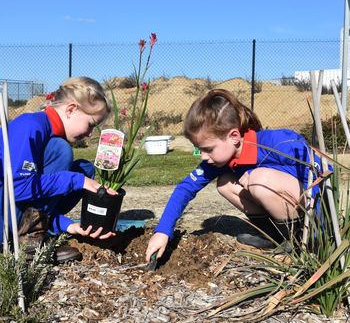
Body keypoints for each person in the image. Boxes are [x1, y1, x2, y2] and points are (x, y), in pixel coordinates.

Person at [146, 89, 325, 262]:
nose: (203, 157)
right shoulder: (219, 159)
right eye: (199, 149)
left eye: (208, 149)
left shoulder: (276, 142)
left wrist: (319, 235)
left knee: (258, 180)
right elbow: (185, 188)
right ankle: (274, 236)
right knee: (225, 183)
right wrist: (163, 231)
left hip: (312, 210)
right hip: (286, 206)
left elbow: (320, 172)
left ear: (233, 136)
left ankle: (299, 241)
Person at [0, 76, 116, 262]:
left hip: (16, 216)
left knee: (83, 169)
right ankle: (27, 245)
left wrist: (69, 226)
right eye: (91, 125)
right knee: (63, 154)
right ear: (71, 109)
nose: (90, 133)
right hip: (4, 218)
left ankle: (37, 233)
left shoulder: (46, 131)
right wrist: (76, 181)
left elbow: (35, 202)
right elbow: (16, 188)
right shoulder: (31, 126)